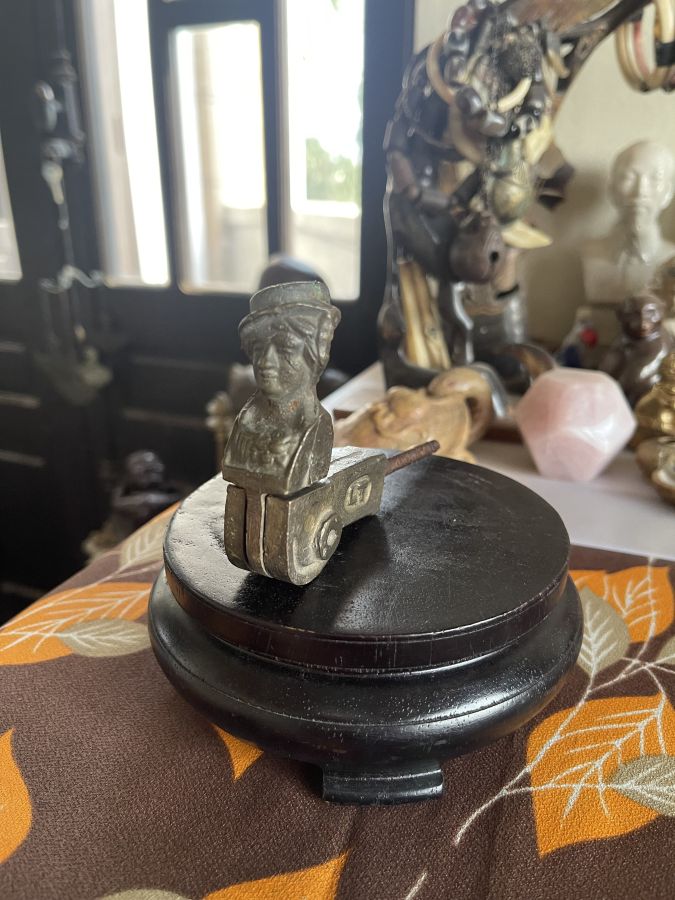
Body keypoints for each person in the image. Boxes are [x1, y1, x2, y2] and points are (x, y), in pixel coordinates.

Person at [222, 281, 341, 495]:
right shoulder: (245, 424)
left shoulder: (315, 427)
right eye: (259, 349)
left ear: (314, 356)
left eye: (284, 348)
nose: (265, 362)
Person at [581, 141, 675, 345]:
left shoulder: (671, 262)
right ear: (612, 189)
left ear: (668, 193)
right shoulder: (590, 253)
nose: (640, 191)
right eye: (629, 177)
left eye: (654, 179)